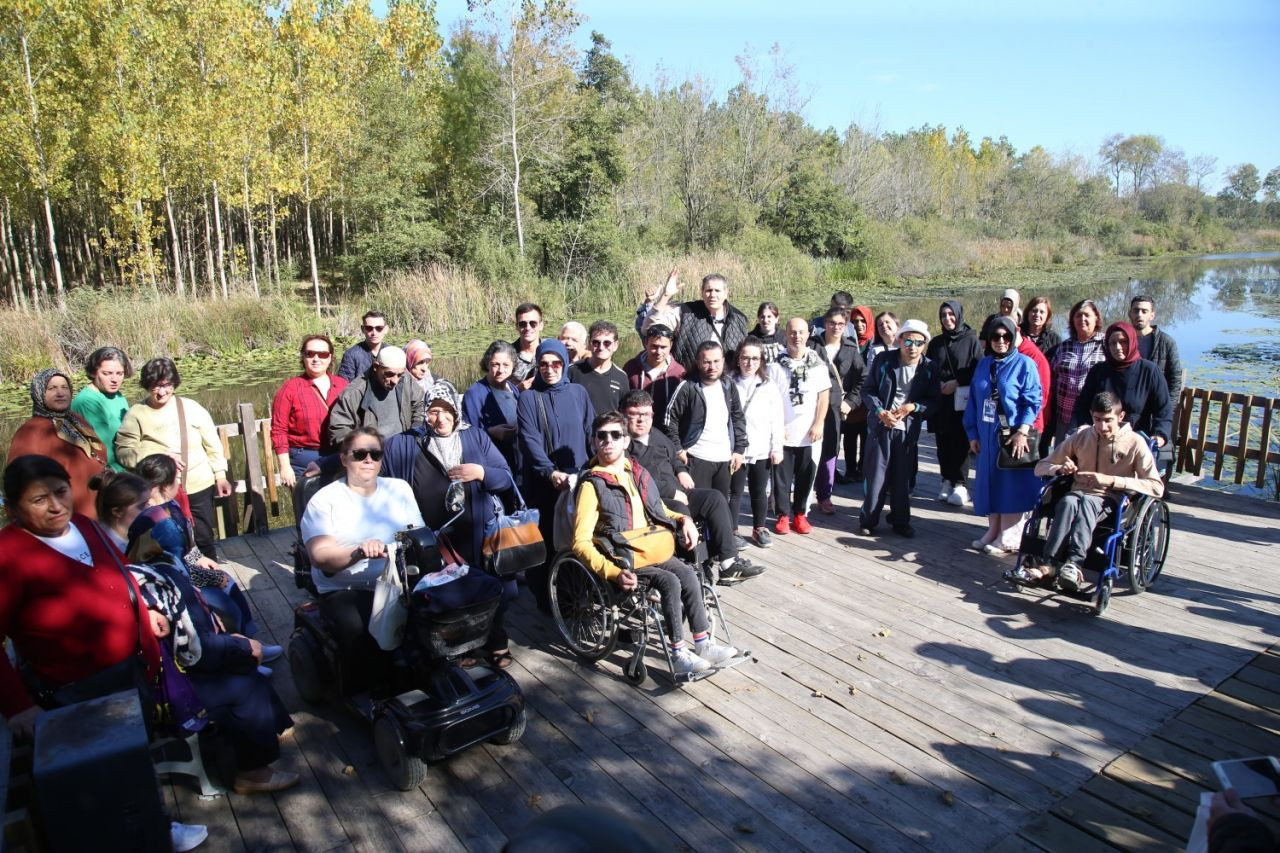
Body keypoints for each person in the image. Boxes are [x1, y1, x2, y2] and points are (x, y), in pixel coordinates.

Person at [0, 455, 209, 851]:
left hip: (128, 669)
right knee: (96, 778)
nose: (56, 506)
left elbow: (119, 573)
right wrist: (15, 706)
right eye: (39, 499)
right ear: (12, 508)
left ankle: (156, 827)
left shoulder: (82, 525)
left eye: (61, 492)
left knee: (136, 759)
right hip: (72, 690)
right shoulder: (8, 554)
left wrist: (143, 613)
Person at [95, 471, 298, 795]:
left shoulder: (146, 558)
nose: (152, 509)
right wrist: (239, 648)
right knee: (245, 679)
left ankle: (264, 729)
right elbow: (194, 651)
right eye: (145, 504)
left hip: (157, 663)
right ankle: (252, 772)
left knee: (239, 641)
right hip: (160, 684)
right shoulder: (149, 571)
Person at [572, 412, 738, 676]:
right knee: (669, 581)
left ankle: (703, 642)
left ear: (626, 441)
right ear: (593, 442)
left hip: (650, 546)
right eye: (602, 436)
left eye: (616, 435)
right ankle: (678, 653)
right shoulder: (592, 485)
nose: (609, 441)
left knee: (688, 573)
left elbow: (659, 509)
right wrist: (614, 572)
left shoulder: (636, 472)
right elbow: (580, 543)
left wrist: (683, 518)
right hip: (623, 557)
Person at [379, 382, 519, 668]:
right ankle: (460, 645)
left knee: (494, 587)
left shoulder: (475, 438)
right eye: (433, 411)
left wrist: (480, 472)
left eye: (446, 411)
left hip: (479, 532)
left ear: (456, 412)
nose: (440, 418)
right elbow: (377, 471)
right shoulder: (407, 444)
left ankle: (495, 638)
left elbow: (505, 477)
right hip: (436, 538)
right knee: (450, 591)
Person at [300, 428, 424, 691]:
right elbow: (320, 556)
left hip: (399, 580)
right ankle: (376, 693)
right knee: (362, 628)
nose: (369, 460)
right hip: (347, 586)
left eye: (375, 454)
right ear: (344, 459)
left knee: (439, 611)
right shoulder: (325, 501)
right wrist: (358, 551)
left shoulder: (399, 489)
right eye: (360, 454)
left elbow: (419, 533)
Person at [1021, 391, 1164, 590]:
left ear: (1121, 417)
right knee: (1068, 501)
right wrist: (1060, 469)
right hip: (1078, 493)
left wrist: (1112, 480)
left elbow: (1156, 486)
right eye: (1097, 420)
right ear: (1091, 415)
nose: (1102, 426)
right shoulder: (1082, 437)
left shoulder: (1135, 443)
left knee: (1087, 502)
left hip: (1111, 498)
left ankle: (1074, 564)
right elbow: (1040, 467)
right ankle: (1050, 563)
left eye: (1108, 420)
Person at [620, 390, 762, 584]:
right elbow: (633, 479)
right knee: (681, 511)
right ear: (623, 415)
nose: (640, 420)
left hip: (680, 492)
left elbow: (675, 459)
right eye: (634, 415)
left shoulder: (657, 436)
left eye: (645, 414)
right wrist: (672, 492)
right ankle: (696, 569)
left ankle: (728, 563)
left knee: (714, 498)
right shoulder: (622, 445)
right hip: (651, 503)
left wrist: (681, 471)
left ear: (652, 415)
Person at [131, 454, 272, 648]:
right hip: (172, 584)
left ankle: (249, 640)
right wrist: (211, 578)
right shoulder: (158, 523)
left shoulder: (170, 506)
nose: (179, 483)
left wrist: (198, 557)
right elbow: (172, 567)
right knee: (224, 601)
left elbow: (185, 544)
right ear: (162, 487)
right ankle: (242, 647)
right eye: (176, 479)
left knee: (226, 582)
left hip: (183, 570)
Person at [116, 357, 231, 559]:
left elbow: (212, 444)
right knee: (169, 542)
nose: (161, 392)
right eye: (155, 386)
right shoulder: (136, 414)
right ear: (146, 385)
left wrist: (220, 474)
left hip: (197, 484)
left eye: (166, 385)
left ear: (174, 383)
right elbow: (124, 452)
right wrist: (155, 456)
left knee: (204, 537)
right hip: (159, 492)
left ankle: (210, 576)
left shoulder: (192, 407)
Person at [515, 339, 595, 612]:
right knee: (546, 541)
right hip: (544, 482)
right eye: (544, 365)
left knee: (577, 538)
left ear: (565, 363)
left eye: (556, 363)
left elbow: (589, 432)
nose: (550, 370)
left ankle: (576, 595)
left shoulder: (578, 393)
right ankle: (547, 602)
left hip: (576, 480)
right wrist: (550, 472)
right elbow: (528, 440)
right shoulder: (528, 397)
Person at [964, 316, 1043, 555]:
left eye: (1006, 336)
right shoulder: (984, 364)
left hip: (1011, 436)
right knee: (989, 482)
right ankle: (993, 529)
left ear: (1013, 338)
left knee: (1010, 484)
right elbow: (974, 402)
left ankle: (1009, 536)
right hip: (986, 435)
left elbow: (1033, 401)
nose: (1001, 341)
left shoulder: (1025, 364)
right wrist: (972, 432)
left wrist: (1022, 431)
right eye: (995, 337)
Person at [857, 320, 940, 537]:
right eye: (908, 340)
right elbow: (868, 391)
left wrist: (914, 407)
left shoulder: (930, 368)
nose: (912, 346)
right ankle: (869, 520)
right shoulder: (884, 360)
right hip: (881, 425)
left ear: (924, 345)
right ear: (899, 340)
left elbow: (934, 402)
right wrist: (879, 412)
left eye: (918, 342)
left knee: (902, 478)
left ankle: (900, 520)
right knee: (876, 475)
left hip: (908, 428)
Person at [6, 369, 109, 519]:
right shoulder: (32, 431)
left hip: (99, 508)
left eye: (64, 387)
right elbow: (21, 481)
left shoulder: (75, 420)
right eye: (52, 388)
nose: (60, 393)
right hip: (64, 515)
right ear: (39, 393)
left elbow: (99, 453)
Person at [1072, 322, 1173, 461]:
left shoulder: (1149, 371)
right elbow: (1082, 405)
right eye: (1112, 343)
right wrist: (1084, 427)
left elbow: (1163, 409)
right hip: (1101, 439)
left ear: (1132, 342)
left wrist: (1160, 435)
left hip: (1136, 442)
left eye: (1123, 342)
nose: (1117, 347)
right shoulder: (1099, 371)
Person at [663, 340, 746, 503]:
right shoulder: (687, 387)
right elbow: (669, 420)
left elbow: (738, 417)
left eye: (716, 361)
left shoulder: (728, 385)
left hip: (723, 458)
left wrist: (739, 449)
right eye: (706, 362)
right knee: (698, 508)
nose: (712, 366)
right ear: (698, 363)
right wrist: (679, 450)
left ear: (723, 361)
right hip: (696, 457)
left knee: (720, 507)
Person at [773, 318, 830, 535]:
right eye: (793, 332)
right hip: (784, 430)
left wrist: (819, 423)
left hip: (809, 431)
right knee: (781, 475)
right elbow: (771, 399)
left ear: (808, 335)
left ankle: (800, 514)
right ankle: (783, 514)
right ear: (786, 334)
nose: (797, 337)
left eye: (801, 332)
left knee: (807, 474)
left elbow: (823, 396)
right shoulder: (775, 365)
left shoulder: (818, 365)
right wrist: (777, 426)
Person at [271, 334, 348, 489]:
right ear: (303, 357)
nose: (316, 359)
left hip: (339, 456)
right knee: (307, 509)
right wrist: (285, 466)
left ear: (330, 358)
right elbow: (279, 430)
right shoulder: (290, 389)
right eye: (310, 353)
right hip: (303, 459)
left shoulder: (343, 386)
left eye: (323, 354)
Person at [926, 301, 982, 507]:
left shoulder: (971, 340)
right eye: (943, 315)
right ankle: (946, 480)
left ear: (959, 315)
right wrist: (938, 383)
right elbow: (928, 368)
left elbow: (977, 368)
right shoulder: (936, 343)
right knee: (943, 442)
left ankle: (961, 484)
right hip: (942, 401)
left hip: (962, 400)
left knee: (961, 442)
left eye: (951, 314)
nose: (947, 319)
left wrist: (957, 382)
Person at [729, 338, 784, 548]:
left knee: (759, 491)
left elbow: (777, 418)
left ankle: (759, 527)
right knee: (734, 491)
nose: (749, 363)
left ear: (761, 360)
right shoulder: (729, 382)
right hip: (736, 449)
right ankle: (733, 529)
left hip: (761, 447)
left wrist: (777, 446)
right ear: (738, 359)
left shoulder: (768, 385)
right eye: (745, 358)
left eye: (754, 358)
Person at [811, 308, 865, 514]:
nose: (835, 327)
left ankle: (824, 495)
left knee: (831, 450)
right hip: (810, 406)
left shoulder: (850, 349)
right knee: (807, 448)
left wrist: (851, 401)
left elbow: (864, 377)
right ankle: (803, 492)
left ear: (846, 326)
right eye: (832, 323)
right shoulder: (812, 345)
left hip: (834, 407)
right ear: (825, 323)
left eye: (840, 324)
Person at [640, 270, 750, 371]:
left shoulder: (739, 319)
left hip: (727, 385)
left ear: (726, 293)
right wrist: (665, 295)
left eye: (717, 290)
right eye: (708, 290)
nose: (712, 295)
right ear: (702, 292)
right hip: (690, 382)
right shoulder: (685, 312)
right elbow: (649, 328)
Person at [327, 344, 425, 445]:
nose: (395, 381)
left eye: (399, 375)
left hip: (403, 448)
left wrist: (415, 430)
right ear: (376, 366)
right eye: (389, 374)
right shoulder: (355, 392)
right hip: (372, 454)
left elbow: (421, 404)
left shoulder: (406, 380)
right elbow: (339, 430)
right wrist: (364, 446)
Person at [1048, 298, 1106, 446]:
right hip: (1064, 416)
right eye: (1078, 315)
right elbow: (1052, 379)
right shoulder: (1064, 346)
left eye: (1087, 315)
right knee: (1062, 461)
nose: (1082, 319)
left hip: (1094, 419)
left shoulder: (1105, 345)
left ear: (1096, 318)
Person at [1128, 294, 1183, 438]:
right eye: (1136, 310)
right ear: (1130, 313)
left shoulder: (1166, 342)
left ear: (1152, 315)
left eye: (1144, 311)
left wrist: (1166, 409)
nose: (1139, 315)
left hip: (1154, 410)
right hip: (1129, 411)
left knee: (1153, 454)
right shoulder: (1122, 341)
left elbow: (1175, 378)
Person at [70, 346, 133, 470]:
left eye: (119, 373)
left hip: (126, 463)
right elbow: (104, 452)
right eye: (107, 373)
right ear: (94, 372)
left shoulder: (118, 396)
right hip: (110, 473)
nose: (115, 379)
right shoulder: (87, 402)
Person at [462, 340, 522, 472]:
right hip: (493, 463)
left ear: (513, 366)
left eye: (506, 365)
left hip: (516, 458)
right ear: (487, 365)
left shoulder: (512, 388)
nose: (501, 370)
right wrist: (491, 432)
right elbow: (468, 434)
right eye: (495, 364)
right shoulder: (475, 393)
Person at [839, 305, 877, 485]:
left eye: (863, 321)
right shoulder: (847, 341)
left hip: (868, 397)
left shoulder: (875, 343)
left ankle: (863, 469)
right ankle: (850, 469)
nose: (859, 325)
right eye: (855, 322)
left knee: (866, 434)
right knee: (850, 435)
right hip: (851, 395)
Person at [622, 324, 686, 427]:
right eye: (654, 346)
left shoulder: (679, 372)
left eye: (663, 347)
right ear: (646, 343)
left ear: (671, 345)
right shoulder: (631, 368)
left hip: (666, 431)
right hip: (636, 428)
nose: (658, 352)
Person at [568, 320, 629, 416]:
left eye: (607, 343)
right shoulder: (572, 371)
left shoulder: (621, 377)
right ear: (589, 343)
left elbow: (624, 414)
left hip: (608, 430)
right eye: (596, 342)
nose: (601, 347)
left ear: (615, 345)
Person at [337, 309, 391, 381]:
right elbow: (344, 385)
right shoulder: (351, 355)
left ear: (386, 329)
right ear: (363, 329)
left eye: (379, 328)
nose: (374, 333)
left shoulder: (393, 353)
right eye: (369, 328)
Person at [511, 302, 544, 387]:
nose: (528, 328)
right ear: (517, 327)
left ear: (541, 325)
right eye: (522, 324)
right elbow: (496, 386)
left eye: (533, 323)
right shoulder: (507, 354)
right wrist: (518, 389)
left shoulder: (551, 350)